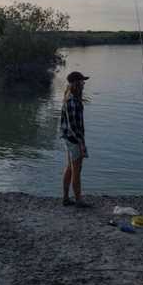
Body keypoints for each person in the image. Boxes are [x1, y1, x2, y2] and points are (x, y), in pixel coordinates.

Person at [60, 71, 90, 207]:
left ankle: (66, 198)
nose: (84, 84)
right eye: (82, 82)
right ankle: (78, 200)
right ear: (76, 83)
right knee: (77, 170)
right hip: (73, 140)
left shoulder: (70, 98)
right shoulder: (72, 101)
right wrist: (81, 144)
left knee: (70, 168)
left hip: (69, 138)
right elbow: (74, 127)